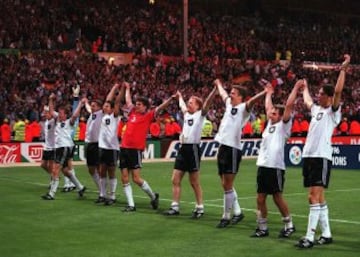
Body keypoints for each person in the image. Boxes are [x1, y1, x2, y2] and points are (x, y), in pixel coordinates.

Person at [295, 54, 350, 249]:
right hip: (309, 157)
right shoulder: (317, 110)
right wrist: (305, 89)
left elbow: (338, 91)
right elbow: (308, 101)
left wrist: (343, 69)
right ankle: (326, 234)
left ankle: (309, 237)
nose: (318, 96)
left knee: (312, 197)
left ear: (327, 97)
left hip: (321, 158)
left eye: (320, 94)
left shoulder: (333, 112)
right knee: (320, 198)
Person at [251, 81, 303, 238]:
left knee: (277, 197)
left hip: (276, 167)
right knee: (260, 198)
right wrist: (268, 93)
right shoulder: (269, 125)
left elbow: (288, 106)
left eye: (274, 113)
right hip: (263, 165)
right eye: (271, 112)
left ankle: (289, 224)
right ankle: (263, 227)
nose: (270, 113)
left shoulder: (283, 126)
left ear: (280, 116)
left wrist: (294, 88)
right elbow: (268, 106)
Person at [214, 79, 266, 228]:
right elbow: (223, 94)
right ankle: (237, 212)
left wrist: (264, 92)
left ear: (241, 97)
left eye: (234, 93)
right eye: (231, 92)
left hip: (233, 149)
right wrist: (218, 84)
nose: (230, 94)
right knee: (225, 184)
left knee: (228, 184)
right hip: (223, 147)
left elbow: (253, 101)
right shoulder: (229, 105)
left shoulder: (244, 108)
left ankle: (226, 216)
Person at [119, 82, 175, 212]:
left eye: (139, 104)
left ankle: (153, 196)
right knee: (124, 177)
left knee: (136, 178)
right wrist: (127, 88)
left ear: (145, 107)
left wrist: (171, 99)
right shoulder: (132, 113)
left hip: (135, 150)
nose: (136, 106)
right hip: (124, 148)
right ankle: (131, 205)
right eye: (136, 104)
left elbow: (160, 107)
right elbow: (128, 101)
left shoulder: (148, 115)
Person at [163, 86, 217, 218]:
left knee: (194, 182)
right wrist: (180, 97)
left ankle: (200, 208)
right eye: (188, 102)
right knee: (175, 179)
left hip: (193, 149)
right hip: (183, 149)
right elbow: (182, 105)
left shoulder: (200, 115)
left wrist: (214, 90)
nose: (188, 103)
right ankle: (175, 207)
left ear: (198, 106)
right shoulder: (187, 114)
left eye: (191, 102)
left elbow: (207, 103)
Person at [41, 93, 87, 200]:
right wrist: (50, 99)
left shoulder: (68, 122)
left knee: (55, 170)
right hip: (61, 147)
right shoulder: (57, 119)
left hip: (64, 147)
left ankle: (51, 194)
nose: (60, 115)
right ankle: (80, 187)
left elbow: (75, 115)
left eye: (61, 113)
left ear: (66, 115)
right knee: (65, 170)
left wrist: (80, 104)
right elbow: (52, 111)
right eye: (60, 113)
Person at [96, 83, 124, 205]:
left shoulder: (115, 116)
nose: (105, 107)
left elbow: (117, 101)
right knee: (102, 171)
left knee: (111, 172)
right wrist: (113, 87)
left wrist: (122, 89)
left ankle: (112, 196)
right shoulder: (103, 116)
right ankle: (102, 194)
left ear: (112, 109)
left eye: (107, 106)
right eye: (105, 106)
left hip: (112, 148)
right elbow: (109, 98)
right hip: (102, 147)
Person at [84, 98, 103, 198]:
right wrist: (85, 102)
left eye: (94, 105)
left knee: (100, 169)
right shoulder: (92, 114)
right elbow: (88, 108)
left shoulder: (101, 113)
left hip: (97, 144)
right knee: (91, 169)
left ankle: (103, 192)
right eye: (91, 105)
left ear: (100, 108)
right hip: (89, 144)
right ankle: (101, 189)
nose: (92, 107)